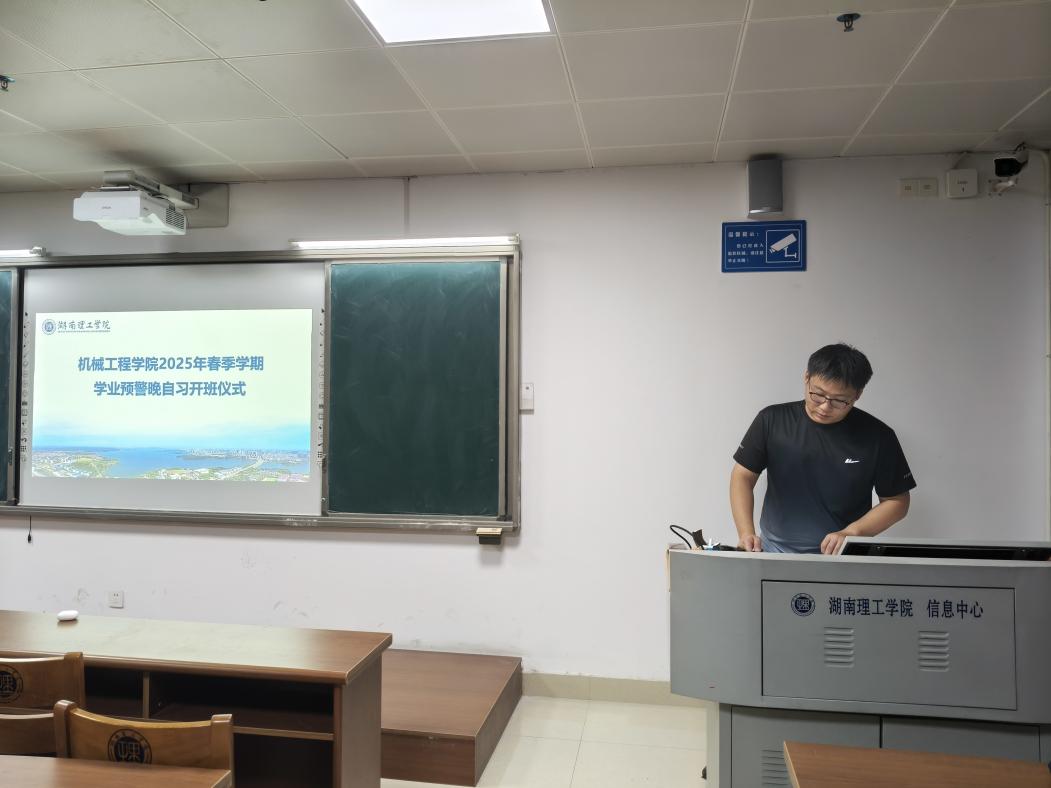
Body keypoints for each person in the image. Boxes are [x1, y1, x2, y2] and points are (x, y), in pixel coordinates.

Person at [730, 343, 915, 555]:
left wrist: (852, 532)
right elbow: (742, 476)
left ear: (858, 394)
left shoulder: (878, 436)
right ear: (806, 377)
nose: (825, 407)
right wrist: (746, 533)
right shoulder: (772, 420)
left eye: (839, 401)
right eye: (817, 394)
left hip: (843, 554)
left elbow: (897, 501)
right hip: (773, 550)